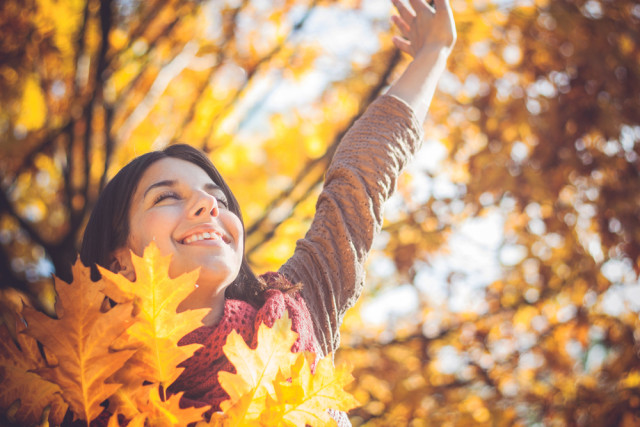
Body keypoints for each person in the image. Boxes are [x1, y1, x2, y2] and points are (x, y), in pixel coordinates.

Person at [79, 0, 456, 424]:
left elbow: (360, 178)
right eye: (167, 197)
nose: (207, 205)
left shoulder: (300, 307)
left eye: (218, 200)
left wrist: (434, 52)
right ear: (117, 261)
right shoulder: (90, 394)